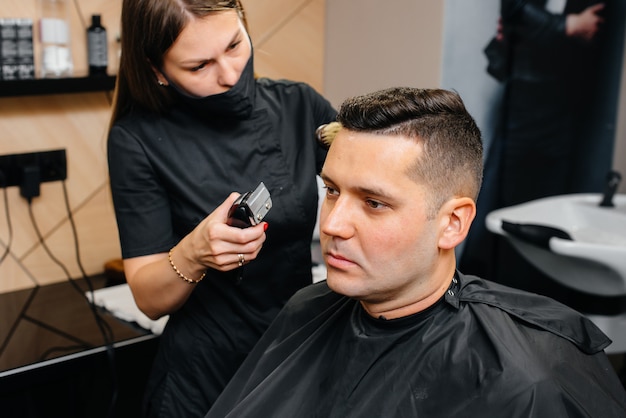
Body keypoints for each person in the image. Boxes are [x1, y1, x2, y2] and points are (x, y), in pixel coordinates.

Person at [205, 87, 626, 417]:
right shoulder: (308, 309)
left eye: (374, 203)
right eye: (332, 191)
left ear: (452, 223)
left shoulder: (526, 381)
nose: (332, 225)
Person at [106, 0, 336, 416]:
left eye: (234, 45)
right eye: (199, 66)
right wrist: (194, 252)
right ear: (156, 69)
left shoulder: (299, 106)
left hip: (297, 354)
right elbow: (148, 297)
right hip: (207, 378)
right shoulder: (136, 141)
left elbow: (370, 185)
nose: (230, 74)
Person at [461, 0, 607, 295]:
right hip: (524, 102)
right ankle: (468, 294)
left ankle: (525, 301)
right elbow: (513, 10)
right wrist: (566, 27)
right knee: (493, 204)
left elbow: (591, 30)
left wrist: (539, 28)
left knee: (545, 212)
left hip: (564, 107)